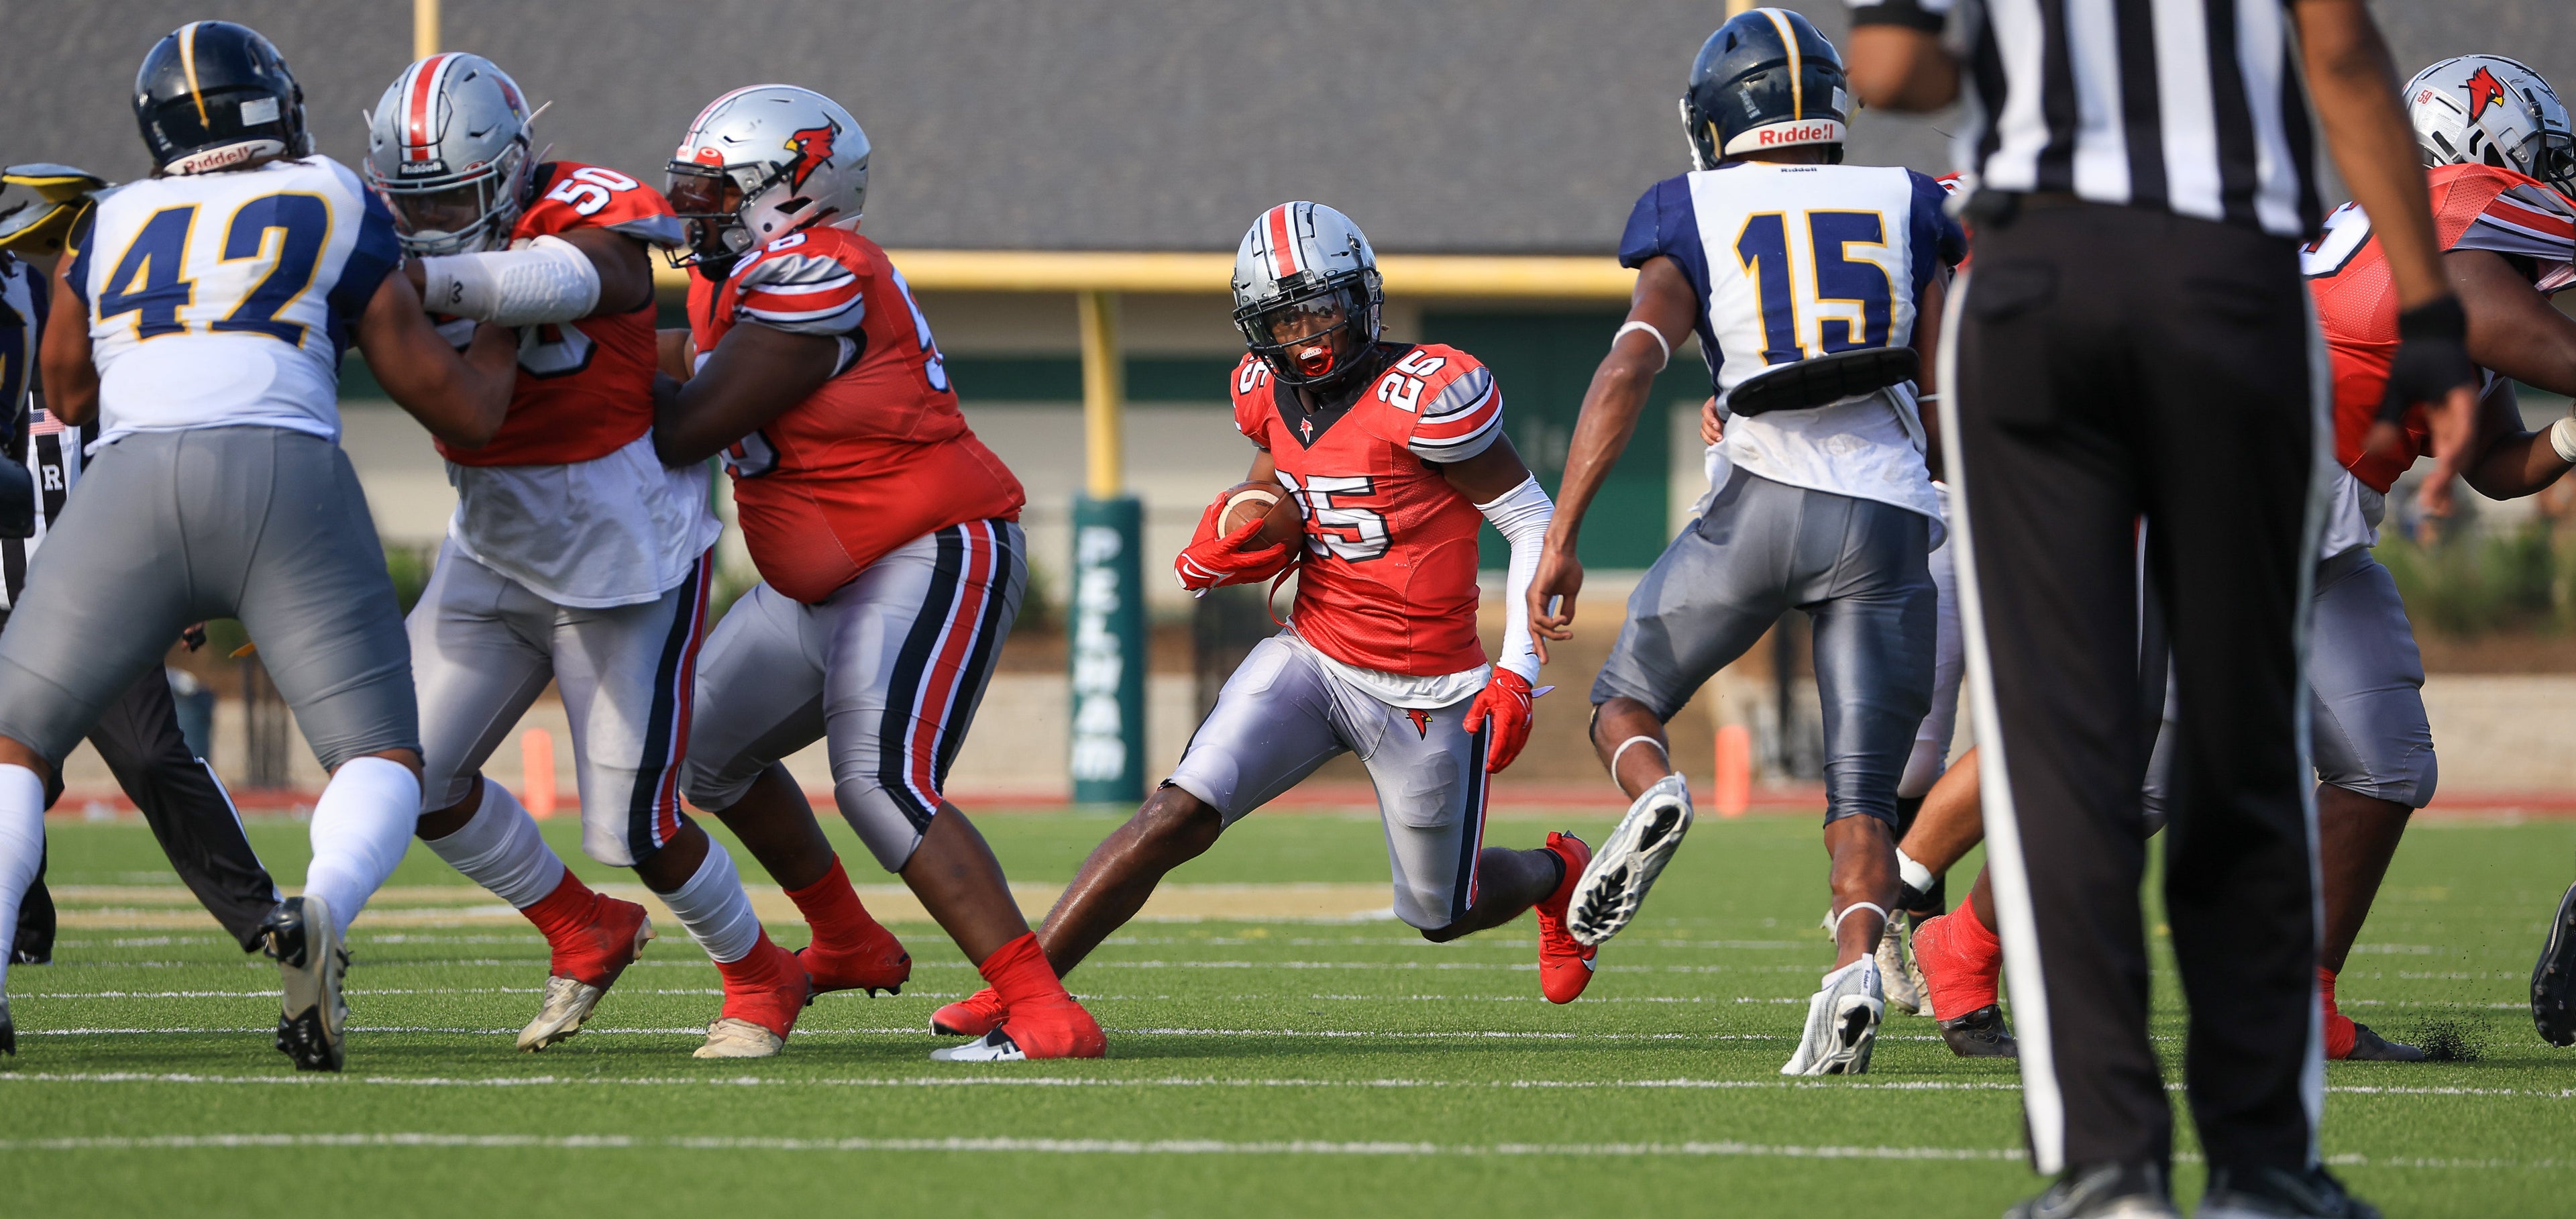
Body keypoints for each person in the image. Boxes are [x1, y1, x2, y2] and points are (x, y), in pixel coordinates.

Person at [1848, 0, 2483, 1211]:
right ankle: (2261, 1164)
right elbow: (2341, 49)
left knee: (2069, 751)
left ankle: (2107, 1165)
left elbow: (1895, 68)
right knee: (2239, 751)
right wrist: (2433, 313)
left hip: (2038, 291)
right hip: (2228, 287)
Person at [1903, 53, 2576, 1070]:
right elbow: (2533, 341)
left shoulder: (2450, 253)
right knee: (2129, 766)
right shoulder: (2445, 223)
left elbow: (2496, 464)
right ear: (2484, 144)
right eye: (2549, 154)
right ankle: (1952, 933)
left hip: (2311, 538)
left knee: (2385, 760)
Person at [930, 201, 1591, 1045]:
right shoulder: (1262, 387)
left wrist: (1518, 669)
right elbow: (1274, 484)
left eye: (1320, 308)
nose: (1307, 333)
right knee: (1176, 813)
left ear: (1362, 299)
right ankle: (1020, 986)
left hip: (1429, 688)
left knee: (1439, 909)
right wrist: (1242, 527)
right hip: (1315, 654)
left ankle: (1554, 872)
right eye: (1285, 317)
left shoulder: (1427, 392)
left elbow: (1534, 521)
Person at [0, 21, 517, 1070]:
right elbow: (452, 406)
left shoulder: (107, 220)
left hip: (131, 485)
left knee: (13, 745)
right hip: (286, 476)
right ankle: (318, 912)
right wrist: (504, 339)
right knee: (379, 755)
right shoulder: (332, 191)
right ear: (274, 106)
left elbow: (63, 391)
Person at [1527, 9, 1962, 1076]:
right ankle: (1854, 969)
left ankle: (1656, 793)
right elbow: (1946, 390)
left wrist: (1564, 533)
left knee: (1622, 703)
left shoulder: (1690, 207)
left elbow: (1629, 368)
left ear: (1722, 116)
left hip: (1762, 496)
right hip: (1892, 518)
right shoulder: (1907, 202)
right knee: (1860, 799)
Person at [361, 54, 815, 1058]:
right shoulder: (368, 226)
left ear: (516, 166)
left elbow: (598, 273)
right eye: (419, 204)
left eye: (459, 197)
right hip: (489, 547)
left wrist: (425, 279)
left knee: (640, 830)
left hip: (624, 557)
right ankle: (581, 925)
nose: (436, 220)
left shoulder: (581, 204)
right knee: (405, 775)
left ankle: (762, 975)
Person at [655, 85, 1099, 1063]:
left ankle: (1040, 1010)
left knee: (879, 780)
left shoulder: (823, 270)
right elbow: (676, 361)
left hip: (930, 545)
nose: (695, 211)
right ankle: (848, 939)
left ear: (796, 190)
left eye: (717, 191)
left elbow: (690, 416)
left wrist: (561, 380)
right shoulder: (734, 281)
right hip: (820, 580)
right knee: (694, 754)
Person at [0, 168, 282, 977]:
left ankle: (264, 914)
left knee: (156, 756)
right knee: (15, 768)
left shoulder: (119, 317)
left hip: (92, 588)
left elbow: (152, 442)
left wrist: (178, 561)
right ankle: (22, 918)